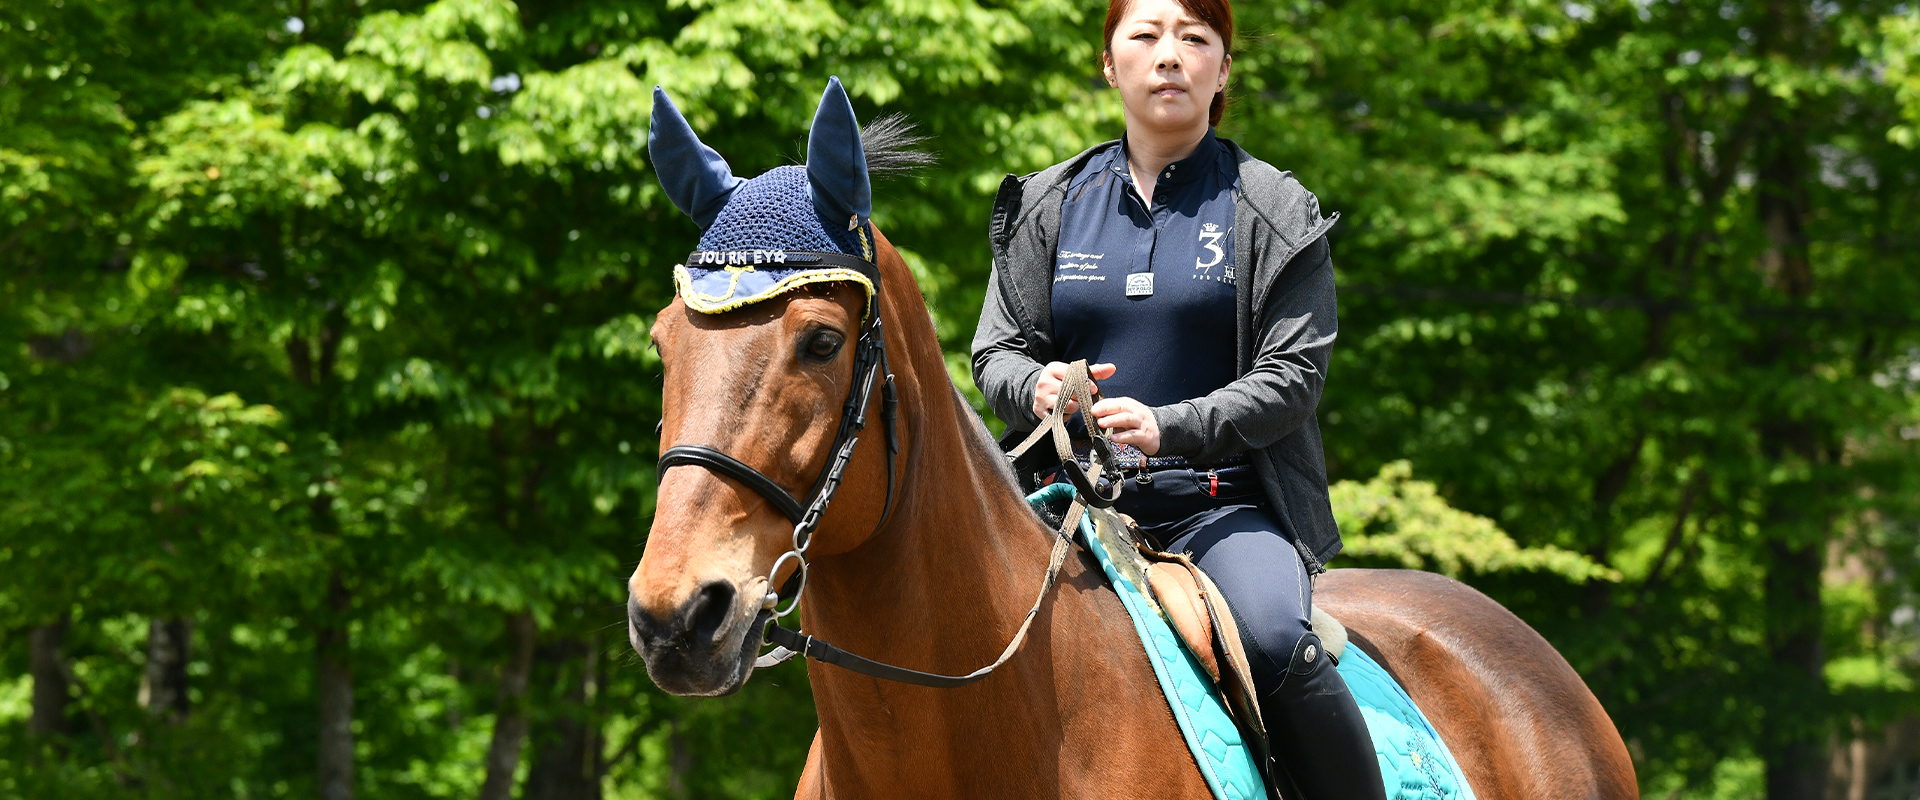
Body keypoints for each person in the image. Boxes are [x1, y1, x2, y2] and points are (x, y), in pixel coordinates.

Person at [970, 0, 1387, 798]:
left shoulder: (1271, 206)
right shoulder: (1046, 204)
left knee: (1271, 641)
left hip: (1220, 505)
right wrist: (1038, 385)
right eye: (1146, 36)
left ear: (1222, 71)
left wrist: (1170, 426)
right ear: (1109, 63)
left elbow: (1293, 376)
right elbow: (996, 350)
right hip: (1059, 504)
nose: (1171, 56)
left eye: (1196, 40)